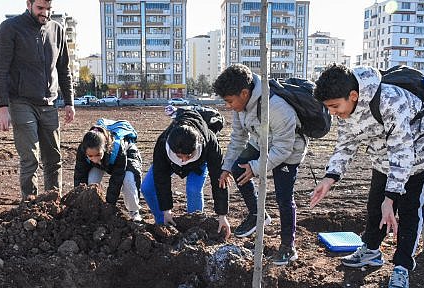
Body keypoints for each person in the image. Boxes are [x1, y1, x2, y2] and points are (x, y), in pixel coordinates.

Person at [310, 63, 424, 288]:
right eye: (328, 108)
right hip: (382, 159)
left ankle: (402, 267)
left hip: (416, 158)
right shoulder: (345, 110)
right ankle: (371, 250)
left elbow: (402, 151)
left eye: (334, 107)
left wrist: (391, 198)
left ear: (353, 96)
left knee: (411, 213)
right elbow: (346, 145)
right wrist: (329, 178)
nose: (332, 112)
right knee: (375, 209)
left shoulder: (391, 101)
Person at [212, 63, 308, 266]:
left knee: (283, 197)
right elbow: (238, 138)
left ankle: (288, 247)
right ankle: (258, 214)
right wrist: (227, 167)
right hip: (260, 142)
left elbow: (283, 148)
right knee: (239, 168)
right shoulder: (240, 107)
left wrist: (256, 168)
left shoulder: (275, 107)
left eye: (230, 101)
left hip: (289, 151)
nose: (228, 106)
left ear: (244, 93)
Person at [0, 0, 75, 199]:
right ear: (28, 4)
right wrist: (2, 107)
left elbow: (64, 69)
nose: (45, 13)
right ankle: (29, 206)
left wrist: (69, 102)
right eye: (40, 8)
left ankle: (53, 204)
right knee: (30, 157)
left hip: (48, 103)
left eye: (48, 9)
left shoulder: (57, 30)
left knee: (54, 158)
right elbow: (0, 68)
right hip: (20, 101)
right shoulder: (11, 28)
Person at [140, 109, 231, 239]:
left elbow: (219, 180)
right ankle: (163, 223)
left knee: (193, 190)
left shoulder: (210, 142)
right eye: (180, 156)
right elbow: (161, 177)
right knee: (147, 188)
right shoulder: (163, 143)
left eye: (188, 156)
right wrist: (166, 210)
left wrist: (222, 216)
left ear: (198, 144)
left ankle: (195, 229)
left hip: (198, 164)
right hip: (169, 162)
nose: (184, 160)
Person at [74, 123, 143, 222]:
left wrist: (109, 207)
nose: (94, 159)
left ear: (105, 147)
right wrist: (79, 199)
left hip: (126, 156)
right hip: (104, 161)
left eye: (98, 154)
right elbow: (80, 175)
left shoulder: (118, 149)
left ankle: (134, 211)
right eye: (90, 156)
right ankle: (93, 208)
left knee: (129, 180)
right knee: (91, 181)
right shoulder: (83, 150)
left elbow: (116, 180)